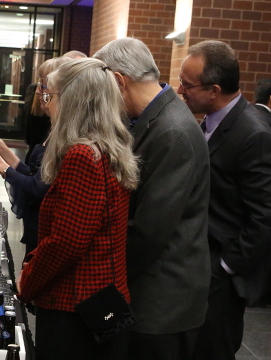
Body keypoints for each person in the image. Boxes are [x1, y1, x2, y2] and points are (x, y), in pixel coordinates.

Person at [93, 38, 210, 360]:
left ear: (118, 80)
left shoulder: (173, 130)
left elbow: (150, 230)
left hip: (162, 300)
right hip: (150, 290)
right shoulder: (158, 118)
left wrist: (100, 275)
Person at [16, 58, 139, 359]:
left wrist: (27, 279)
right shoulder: (109, 147)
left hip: (75, 309)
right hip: (103, 301)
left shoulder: (82, 155)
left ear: (74, 101)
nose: (47, 104)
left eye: (51, 96)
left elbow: (66, 243)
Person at [176, 40, 271, 360]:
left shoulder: (253, 134)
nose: (180, 90)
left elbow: (265, 217)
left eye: (187, 85)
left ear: (214, 90)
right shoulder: (209, 121)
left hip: (221, 278)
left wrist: (225, 267)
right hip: (197, 267)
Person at [0, 57, 71, 257]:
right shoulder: (55, 126)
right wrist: (3, 149)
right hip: (35, 222)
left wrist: (0, 166)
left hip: (44, 225)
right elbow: (33, 172)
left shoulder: (67, 135)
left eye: (44, 85)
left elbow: (37, 187)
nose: (38, 90)